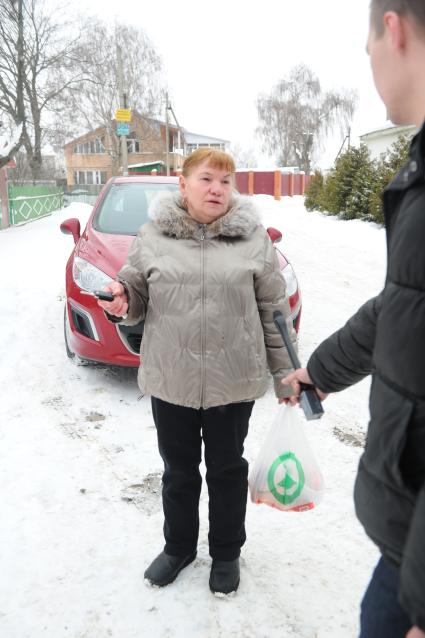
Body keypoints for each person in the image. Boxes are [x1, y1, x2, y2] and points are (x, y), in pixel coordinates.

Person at [282, 1, 425, 636]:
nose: (368, 58)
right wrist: (318, 371)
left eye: (367, 42)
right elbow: (402, 306)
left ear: (391, 29)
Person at [98, 148, 296, 595]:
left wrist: (287, 374)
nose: (216, 189)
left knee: (227, 471)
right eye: (207, 179)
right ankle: (178, 548)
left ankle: (226, 553)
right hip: (173, 377)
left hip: (233, 379)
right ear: (182, 183)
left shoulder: (254, 239)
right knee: (179, 472)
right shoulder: (151, 236)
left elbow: (275, 311)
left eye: (226, 182)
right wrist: (122, 302)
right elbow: (134, 293)